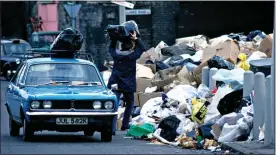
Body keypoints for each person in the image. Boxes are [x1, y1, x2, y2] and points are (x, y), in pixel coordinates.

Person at [107, 30, 146, 135]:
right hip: (128, 85)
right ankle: (125, 124)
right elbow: (142, 48)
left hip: (115, 83)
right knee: (130, 104)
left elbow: (111, 48)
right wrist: (136, 39)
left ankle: (112, 129)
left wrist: (114, 40)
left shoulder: (116, 55)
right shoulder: (132, 56)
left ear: (122, 47)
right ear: (130, 47)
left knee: (114, 106)